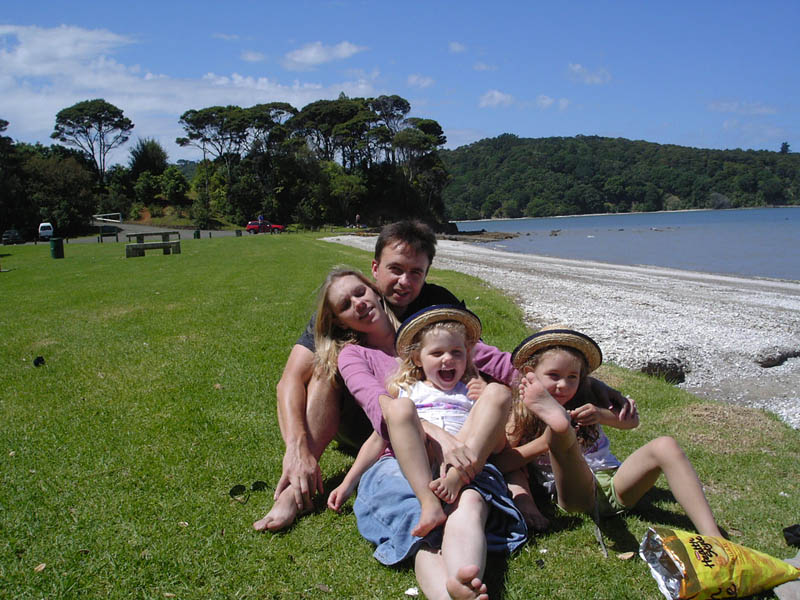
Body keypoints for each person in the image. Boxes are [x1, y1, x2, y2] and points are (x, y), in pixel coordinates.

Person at [255, 221, 460, 532]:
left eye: (415, 272)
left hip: (417, 414)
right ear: (375, 269)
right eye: (395, 269)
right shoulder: (346, 308)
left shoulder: (435, 305)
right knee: (325, 369)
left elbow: (474, 357)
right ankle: (293, 491)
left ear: (426, 273)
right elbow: (289, 381)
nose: (404, 282)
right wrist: (297, 448)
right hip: (362, 420)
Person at [332, 303, 526, 600]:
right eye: (437, 353)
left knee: (470, 502)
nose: (448, 359)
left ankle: (463, 578)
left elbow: (497, 446)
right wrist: (348, 483)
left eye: (457, 352)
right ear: (417, 358)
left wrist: (483, 402)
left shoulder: (470, 392)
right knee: (399, 410)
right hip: (413, 466)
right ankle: (430, 508)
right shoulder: (406, 390)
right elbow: (378, 439)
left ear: (467, 356)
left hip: (464, 464)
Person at [495, 327, 723, 538]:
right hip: (574, 494)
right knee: (560, 434)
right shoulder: (520, 412)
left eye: (572, 377)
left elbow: (631, 423)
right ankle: (559, 429)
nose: (563, 385)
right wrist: (546, 442)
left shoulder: (586, 398)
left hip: (615, 483)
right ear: (530, 374)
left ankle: (714, 536)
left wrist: (600, 415)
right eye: (553, 375)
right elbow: (502, 463)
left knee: (666, 445)